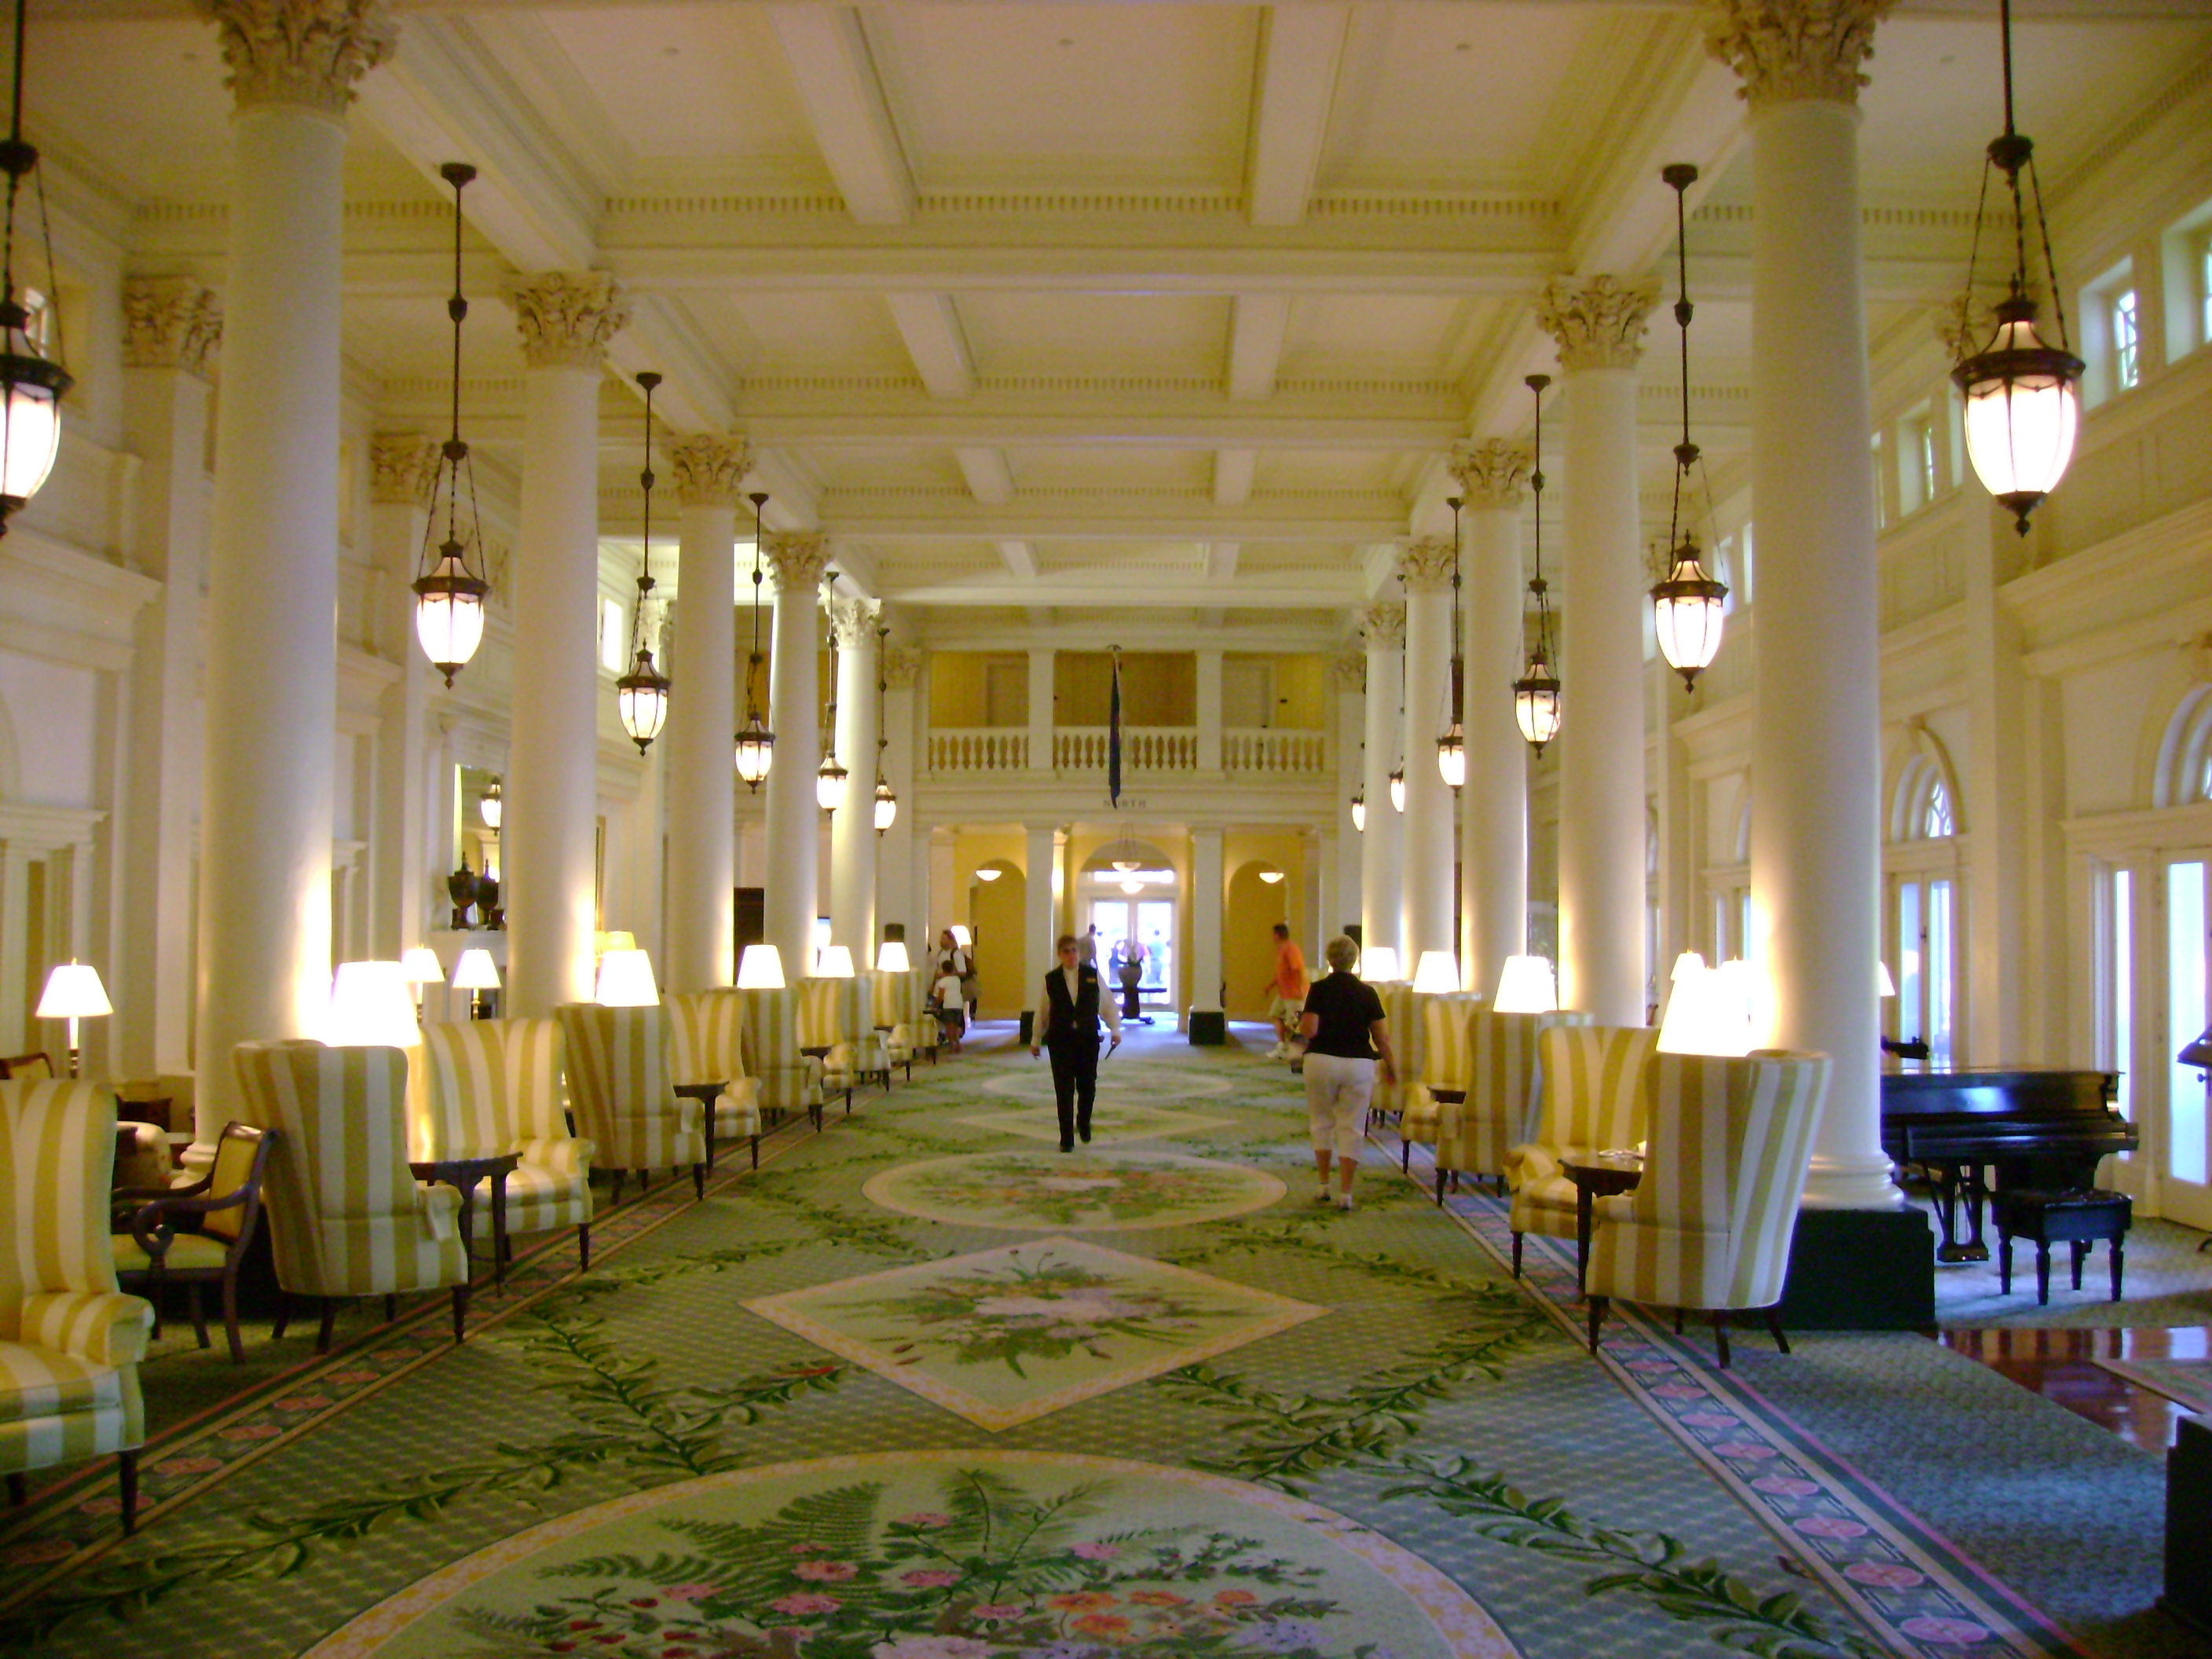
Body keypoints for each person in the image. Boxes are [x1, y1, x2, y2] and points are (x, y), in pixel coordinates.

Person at [1298, 934, 1396, 1212]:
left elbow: (1310, 1030)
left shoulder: (1318, 989)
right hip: (1358, 1064)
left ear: (1330, 960)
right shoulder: (1368, 993)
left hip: (1321, 1061)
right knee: (1352, 1127)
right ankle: (1346, 1192)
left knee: (1321, 1121)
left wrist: (1300, 1023)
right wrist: (1391, 1065)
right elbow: (1382, 1038)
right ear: (1355, 960)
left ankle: (1323, 1184)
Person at [1030, 932, 1122, 1152]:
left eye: (1074, 951)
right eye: (1066, 952)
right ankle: (1066, 1137)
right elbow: (1043, 1011)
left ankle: (1083, 1121)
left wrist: (1115, 1029)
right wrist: (1035, 1038)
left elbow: (1107, 1003)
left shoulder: (1092, 975)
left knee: (1087, 1085)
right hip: (1060, 1040)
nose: (1070, 955)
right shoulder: (1050, 979)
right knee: (1063, 1088)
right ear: (1059, 955)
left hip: (1087, 1038)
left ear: (1079, 953)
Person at [1262, 922, 1309, 1060]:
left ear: (1277, 935)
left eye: (1273, 934)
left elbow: (1298, 969)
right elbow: (1281, 973)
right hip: (1284, 993)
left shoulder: (1291, 949)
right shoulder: (1281, 950)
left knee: (1293, 1023)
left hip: (1293, 994)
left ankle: (1296, 1051)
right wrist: (1270, 986)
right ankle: (1282, 1046)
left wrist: (1300, 990)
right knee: (1275, 1015)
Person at [936, 928, 975, 1024]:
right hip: (940, 988)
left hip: (953, 990)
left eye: (944, 939)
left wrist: (946, 974)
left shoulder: (956, 953)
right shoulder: (941, 953)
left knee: (953, 1018)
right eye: (941, 939)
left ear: (950, 940)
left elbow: (962, 972)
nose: (942, 941)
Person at [928, 965, 966, 1053]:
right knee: (956, 1027)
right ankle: (958, 1044)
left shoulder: (942, 982)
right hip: (959, 1004)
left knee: (949, 1027)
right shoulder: (957, 980)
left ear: (943, 970)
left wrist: (933, 1006)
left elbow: (940, 997)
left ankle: (952, 1046)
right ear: (953, 969)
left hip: (948, 1005)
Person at [1117, 938, 1146, 1024]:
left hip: (1127, 986)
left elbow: (1122, 979)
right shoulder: (1138, 970)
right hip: (1133, 987)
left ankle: (1128, 1012)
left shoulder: (1122, 970)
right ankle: (1133, 1012)